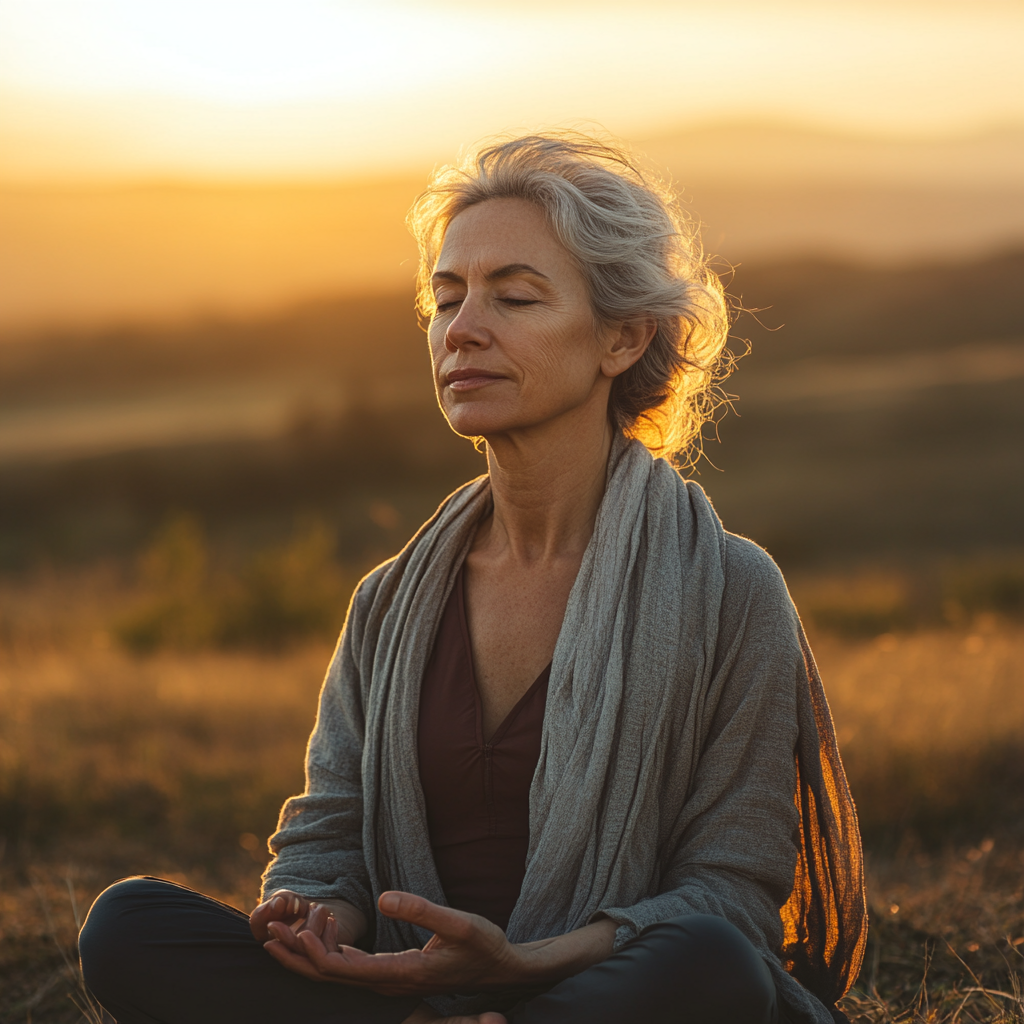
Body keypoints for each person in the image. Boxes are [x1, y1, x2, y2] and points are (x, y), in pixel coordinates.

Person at [79, 133, 867, 1024]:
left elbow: (730, 895)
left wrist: (519, 966)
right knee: (126, 925)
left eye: (516, 297)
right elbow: (326, 837)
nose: (463, 330)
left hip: (592, 992)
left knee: (710, 963)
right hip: (402, 995)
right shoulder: (390, 600)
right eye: (445, 298)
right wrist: (317, 918)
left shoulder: (729, 588)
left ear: (623, 336)